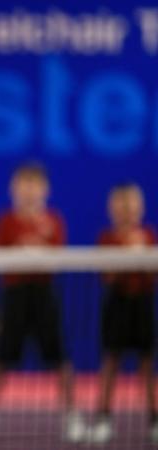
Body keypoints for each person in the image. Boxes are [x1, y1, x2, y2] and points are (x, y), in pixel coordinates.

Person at [0, 162, 83, 443]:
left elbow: (55, 255)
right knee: (0, 358)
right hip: (13, 297)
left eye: (35, 185)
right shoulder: (5, 221)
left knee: (59, 357)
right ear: (14, 189)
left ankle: (72, 415)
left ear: (46, 190)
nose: (30, 191)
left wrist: (33, 250)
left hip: (44, 296)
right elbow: (0, 256)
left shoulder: (54, 221)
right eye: (24, 185)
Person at [88, 182, 157, 444]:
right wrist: (125, 254)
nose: (127, 209)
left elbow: (152, 275)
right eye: (121, 204)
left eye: (132, 204)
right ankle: (104, 418)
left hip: (143, 305)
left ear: (141, 207)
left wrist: (143, 255)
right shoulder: (106, 238)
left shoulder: (149, 236)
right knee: (110, 362)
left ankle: (154, 419)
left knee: (147, 365)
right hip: (116, 306)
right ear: (112, 208)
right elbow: (107, 275)